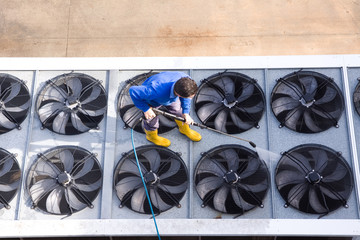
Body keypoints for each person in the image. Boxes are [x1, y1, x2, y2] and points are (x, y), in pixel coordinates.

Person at [129, 71, 202, 147]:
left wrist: (186, 113)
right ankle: (152, 137)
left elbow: (186, 98)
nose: (190, 98)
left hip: (169, 98)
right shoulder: (154, 90)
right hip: (152, 100)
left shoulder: (187, 80)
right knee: (151, 121)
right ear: (178, 95)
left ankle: (184, 129)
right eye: (188, 97)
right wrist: (146, 109)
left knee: (179, 112)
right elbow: (133, 90)